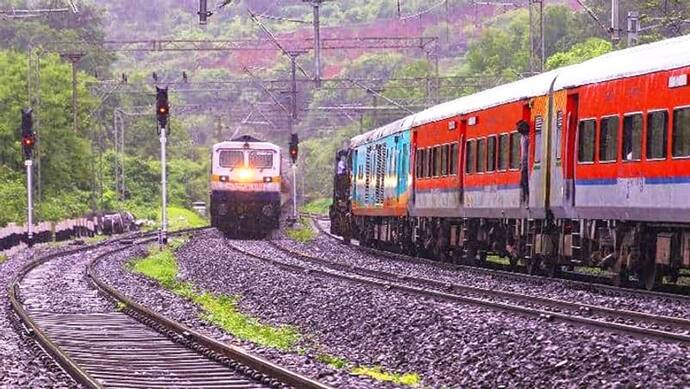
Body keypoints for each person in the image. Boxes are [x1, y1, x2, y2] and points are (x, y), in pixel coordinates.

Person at [517, 120, 530, 205]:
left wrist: (522, 164)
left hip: (525, 165)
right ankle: (524, 199)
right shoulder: (524, 138)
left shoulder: (525, 138)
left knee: (524, 183)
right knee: (523, 183)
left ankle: (526, 199)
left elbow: (524, 153)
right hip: (524, 164)